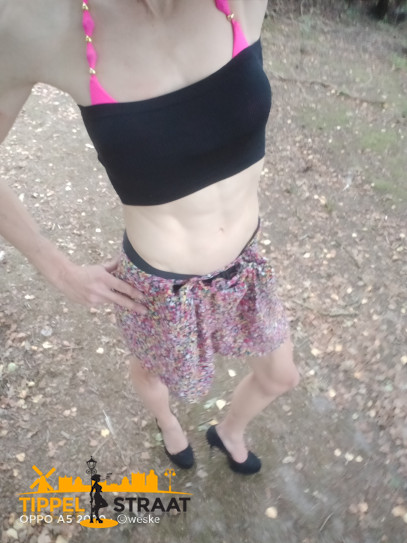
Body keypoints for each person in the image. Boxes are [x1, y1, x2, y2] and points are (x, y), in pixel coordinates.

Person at [0, 0, 300, 474]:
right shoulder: (37, 22)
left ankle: (229, 431)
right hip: (161, 287)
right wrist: (55, 266)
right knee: (155, 372)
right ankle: (167, 422)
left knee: (281, 376)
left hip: (245, 269)